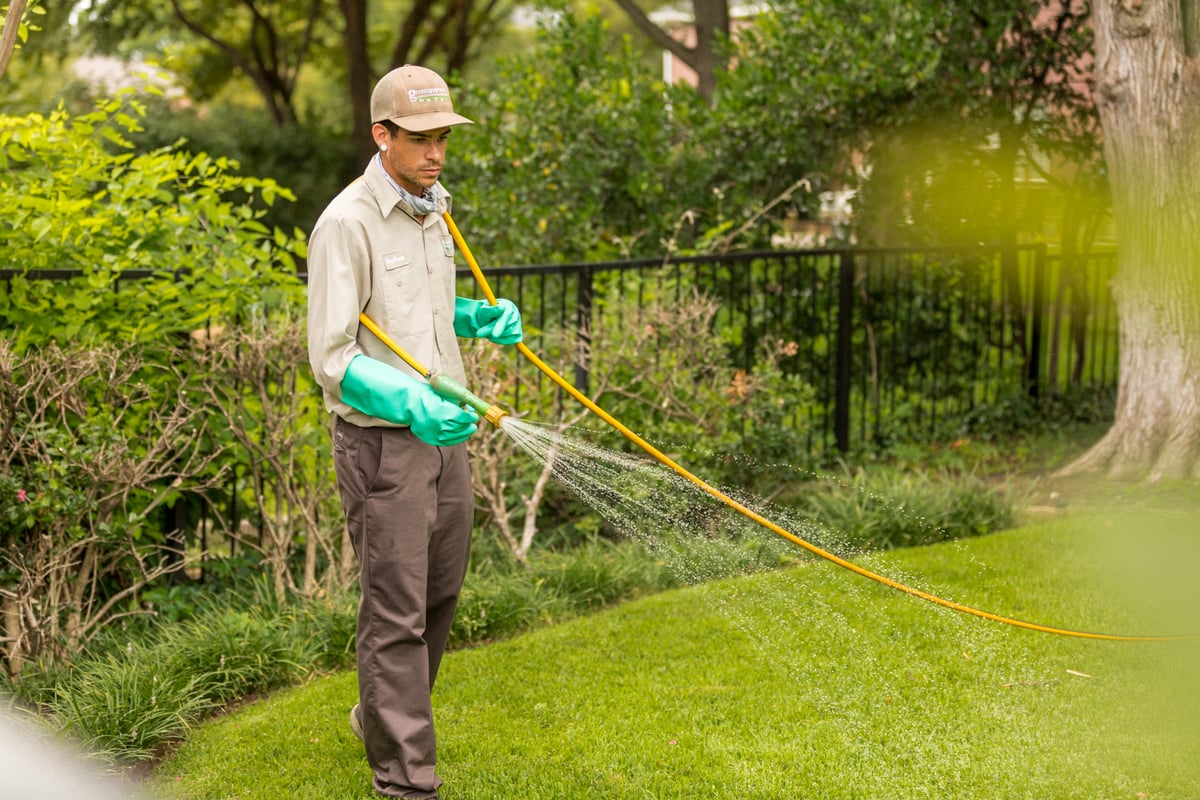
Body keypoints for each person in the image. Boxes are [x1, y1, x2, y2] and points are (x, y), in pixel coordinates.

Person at [306, 64, 523, 799]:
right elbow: (333, 356)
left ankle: (379, 715)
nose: (435, 153)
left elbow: (417, 310)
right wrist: (409, 405)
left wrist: (475, 320)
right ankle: (404, 779)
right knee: (394, 610)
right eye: (421, 139)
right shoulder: (347, 223)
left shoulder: (432, 209)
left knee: (439, 595)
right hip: (383, 444)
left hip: (444, 437)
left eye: (443, 139)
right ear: (382, 135)